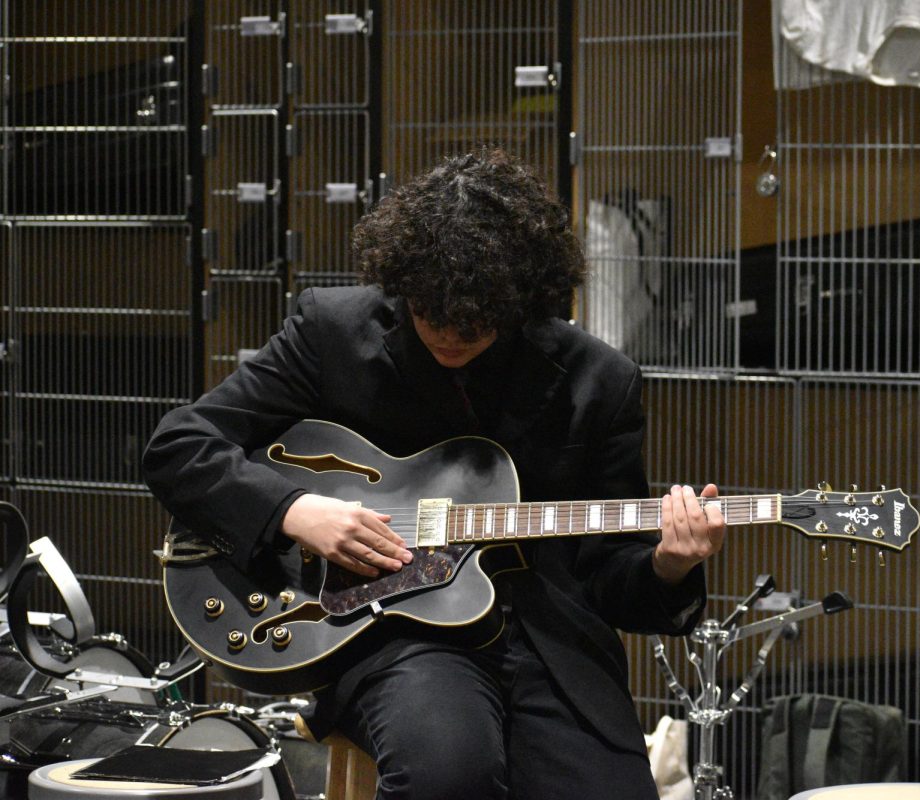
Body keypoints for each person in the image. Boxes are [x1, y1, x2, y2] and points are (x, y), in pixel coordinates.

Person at [142, 148, 726, 800]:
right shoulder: (331, 334)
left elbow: (608, 577)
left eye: (474, 327)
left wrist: (671, 564)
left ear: (521, 303)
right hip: (391, 633)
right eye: (431, 317)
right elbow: (177, 445)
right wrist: (293, 510)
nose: (449, 338)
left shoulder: (599, 382)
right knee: (449, 773)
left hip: (546, 644)